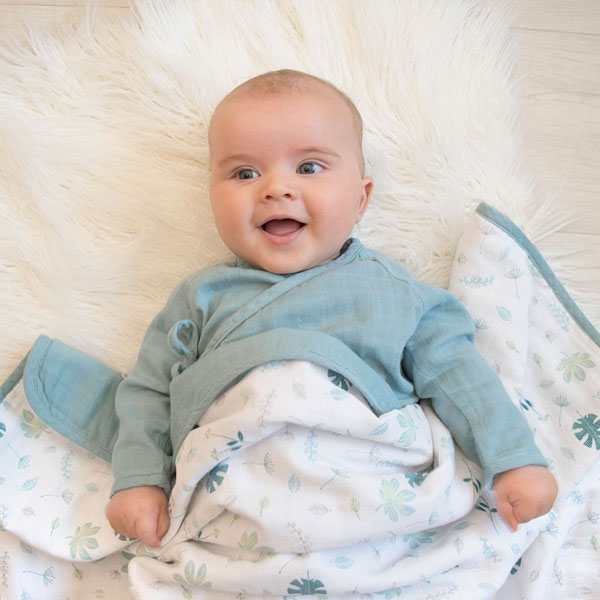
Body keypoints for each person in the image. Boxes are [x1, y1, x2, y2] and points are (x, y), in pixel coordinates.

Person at [106, 69, 558, 548]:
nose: (275, 189)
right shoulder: (202, 296)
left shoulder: (393, 292)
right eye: (245, 173)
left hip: (371, 496)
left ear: (361, 198)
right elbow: (150, 391)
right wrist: (139, 480)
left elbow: (460, 377)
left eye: (309, 168)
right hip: (236, 507)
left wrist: (513, 460)